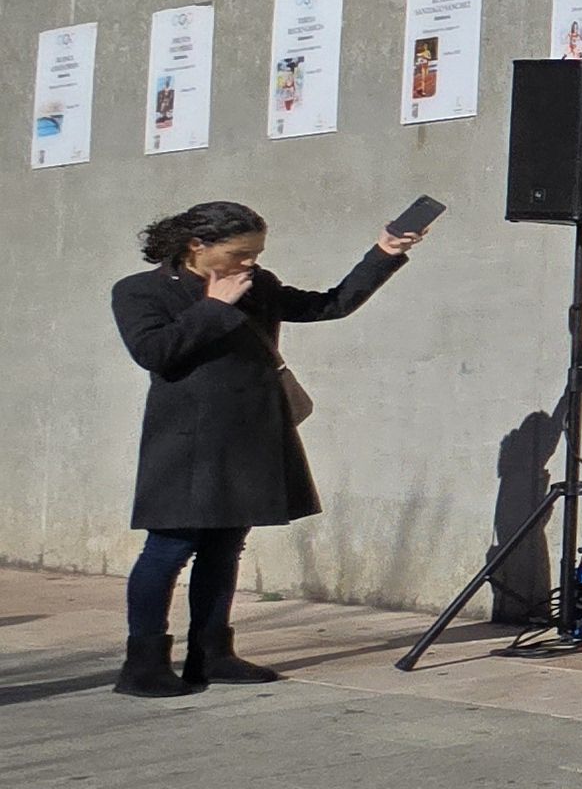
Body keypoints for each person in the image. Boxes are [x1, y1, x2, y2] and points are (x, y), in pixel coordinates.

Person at [107, 200, 422, 696]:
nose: (249, 263)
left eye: (255, 253)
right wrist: (215, 306)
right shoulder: (140, 291)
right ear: (197, 246)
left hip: (249, 437)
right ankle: (142, 665)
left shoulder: (260, 285)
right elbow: (155, 353)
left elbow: (328, 305)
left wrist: (383, 253)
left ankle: (212, 654)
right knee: (167, 550)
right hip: (186, 446)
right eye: (239, 253)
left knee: (225, 548)